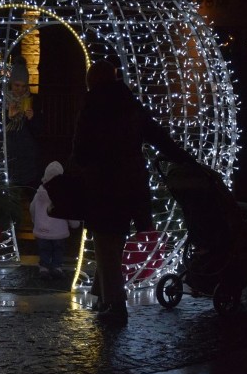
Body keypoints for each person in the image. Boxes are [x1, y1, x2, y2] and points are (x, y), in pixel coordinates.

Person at [71, 60, 193, 325]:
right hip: (130, 186)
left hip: (103, 186)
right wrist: (184, 158)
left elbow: (80, 151)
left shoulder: (93, 107)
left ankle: (115, 305)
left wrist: (83, 169)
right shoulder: (130, 104)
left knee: (105, 243)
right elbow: (158, 136)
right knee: (113, 241)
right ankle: (103, 295)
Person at [31, 161, 80, 280]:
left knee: (44, 250)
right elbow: (69, 210)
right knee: (58, 249)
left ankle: (44, 268)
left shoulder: (39, 194)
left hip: (42, 230)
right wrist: (75, 223)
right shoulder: (63, 194)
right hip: (59, 231)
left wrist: (35, 221)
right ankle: (57, 267)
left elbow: (32, 208)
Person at [4, 56, 41, 195]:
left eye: (23, 86)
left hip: (27, 156)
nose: (20, 90)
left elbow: (38, 132)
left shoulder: (32, 101)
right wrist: (8, 118)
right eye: (16, 85)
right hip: (9, 154)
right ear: (11, 84)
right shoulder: (3, 101)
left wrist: (32, 118)